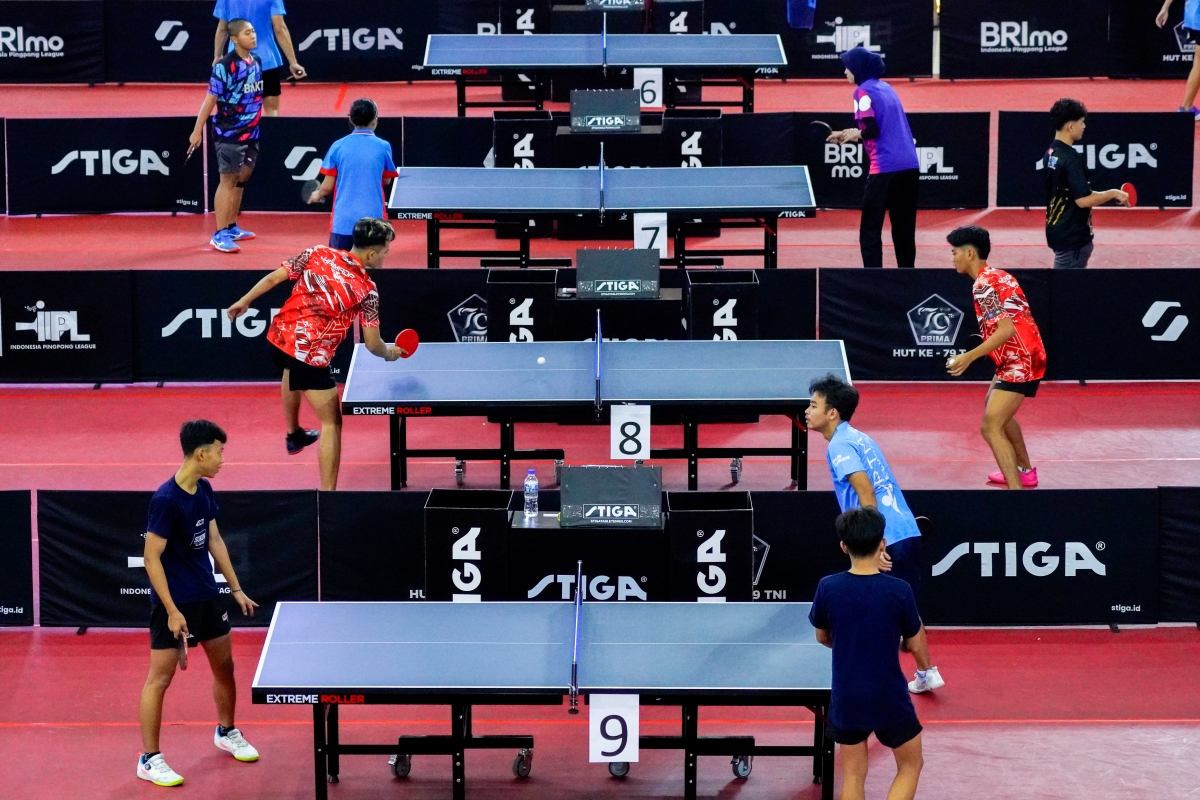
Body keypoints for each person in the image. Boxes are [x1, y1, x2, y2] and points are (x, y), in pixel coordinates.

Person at [227, 218, 405, 490]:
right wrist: (389, 354)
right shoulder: (367, 290)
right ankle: (328, 495)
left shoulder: (318, 252)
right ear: (371, 254)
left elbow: (274, 277)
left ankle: (294, 434)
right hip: (309, 355)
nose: (386, 255)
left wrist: (244, 300)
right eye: (385, 251)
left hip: (278, 337)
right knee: (332, 422)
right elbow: (372, 344)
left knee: (290, 370)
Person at [138, 420, 259, 787]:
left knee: (225, 667)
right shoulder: (166, 500)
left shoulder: (203, 489)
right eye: (220, 452)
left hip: (207, 595)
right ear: (201, 453)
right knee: (159, 680)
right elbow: (151, 558)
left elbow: (215, 540)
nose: (223, 459)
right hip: (176, 603)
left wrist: (235, 589)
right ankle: (149, 759)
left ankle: (226, 731)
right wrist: (172, 611)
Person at [806, 374, 944, 694]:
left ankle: (879, 678)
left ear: (832, 412)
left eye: (813, 405)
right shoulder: (860, 438)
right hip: (905, 530)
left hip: (883, 538)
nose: (807, 411)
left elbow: (865, 492)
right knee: (906, 611)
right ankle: (927, 672)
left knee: (877, 611)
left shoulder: (839, 445)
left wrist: (877, 545)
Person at [810, 507, 928, 800]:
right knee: (911, 765)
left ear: (843, 546)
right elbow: (914, 643)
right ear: (883, 544)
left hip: (847, 694)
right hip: (889, 695)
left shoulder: (828, 587)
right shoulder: (900, 590)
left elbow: (822, 636)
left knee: (853, 774)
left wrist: (851, 644)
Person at [945, 226, 1047, 489]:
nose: (952, 258)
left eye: (954, 252)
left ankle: (1016, 493)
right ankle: (1024, 471)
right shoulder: (1000, 275)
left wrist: (968, 357)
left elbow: (1006, 329)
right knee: (995, 407)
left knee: (990, 427)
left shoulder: (982, 286)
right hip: (1023, 354)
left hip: (1020, 360)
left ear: (969, 253)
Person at [825, 45, 920, 269]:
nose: (845, 72)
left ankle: (873, 277)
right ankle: (908, 276)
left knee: (870, 229)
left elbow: (872, 130)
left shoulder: (861, 92)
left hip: (885, 168)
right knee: (904, 228)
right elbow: (880, 127)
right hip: (910, 166)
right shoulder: (885, 87)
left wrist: (857, 134)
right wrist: (849, 133)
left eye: (848, 67)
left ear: (858, 68)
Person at [189, 19, 263, 254]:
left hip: (252, 131)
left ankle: (231, 226)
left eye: (253, 31)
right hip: (229, 133)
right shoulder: (224, 67)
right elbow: (210, 100)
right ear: (234, 39)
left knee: (243, 177)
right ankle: (219, 234)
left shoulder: (256, 61)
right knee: (228, 181)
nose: (253, 36)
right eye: (247, 33)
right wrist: (197, 130)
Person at [1044, 99, 1131, 269]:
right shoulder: (1071, 159)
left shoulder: (1051, 152)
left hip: (1057, 231)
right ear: (1071, 127)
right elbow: (1084, 200)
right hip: (1073, 239)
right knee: (1067, 285)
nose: (1084, 126)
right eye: (1081, 122)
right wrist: (1114, 192)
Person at [307, 98, 399, 250]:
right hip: (374, 221)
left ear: (351, 119)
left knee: (340, 264)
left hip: (343, 222)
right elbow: (386, 180)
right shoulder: (383, 146)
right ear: (375, 120)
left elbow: (327, 187)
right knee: (371, 264)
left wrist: (318, 194)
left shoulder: (338, 146)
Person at [214, 0, 306, 117]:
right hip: (267, 61)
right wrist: (293, 62)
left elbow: (222, 28)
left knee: (238, 109)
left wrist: (218, 56)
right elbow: (279, 28)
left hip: (237, 62)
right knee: (271, 110)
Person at [1156, 0, 1200, 118]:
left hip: (1193, 15)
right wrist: (1165, 8)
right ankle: (1186, 108)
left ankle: (1186, 107)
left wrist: (1165, 7)